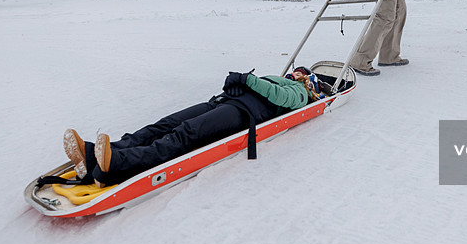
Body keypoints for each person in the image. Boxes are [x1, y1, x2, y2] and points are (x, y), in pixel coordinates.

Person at [63, 67, 326, 187]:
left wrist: (248, 80)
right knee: (164, 124)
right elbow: (260, 86)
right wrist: (237, 85)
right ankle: (93, 155)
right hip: (222, 102)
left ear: (309, 82)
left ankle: (119, 161)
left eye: (302, 74)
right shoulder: (278, 78)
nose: (296, 73)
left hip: (242, 114)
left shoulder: (299, 93)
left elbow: (278, 98)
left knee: (185, 133)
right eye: (295, 71)